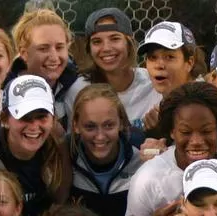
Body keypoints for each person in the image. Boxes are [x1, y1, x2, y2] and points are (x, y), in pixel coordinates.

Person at [125, 81, 217, 216]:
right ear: (172, 131)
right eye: (186, 132)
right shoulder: (147, 179)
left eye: (206, 131)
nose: (196, 142)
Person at [0, 74, 71, 216]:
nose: (34, 126)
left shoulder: (58, 152)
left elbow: (60, 204)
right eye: (25, 117)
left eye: (42, 117)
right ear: (5, 119)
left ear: (53, 120)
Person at [64, 8, 161, 136]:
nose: (106, 48)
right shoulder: (79, 90)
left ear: (129, 43)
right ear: (89, 49)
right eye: (97, 41)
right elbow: (73, 143)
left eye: (115, 39)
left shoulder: (153, 82)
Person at [69, 84, 142, 216]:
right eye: (90, 127)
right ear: (76, 125)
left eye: (109, 125)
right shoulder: (65, 155)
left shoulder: (140, 150)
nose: (100, 136)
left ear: (121, 122)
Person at [7, 8, 78, 129]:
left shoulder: (76, 85)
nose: (54, 57)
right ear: (24, 53)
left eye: (60, 47)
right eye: (43, 49)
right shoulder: (3, 91)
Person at [138, 21, 206, 135]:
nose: (159, 65)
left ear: (189, 63)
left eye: (169, 57)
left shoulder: (205, 102)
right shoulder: (166, 102)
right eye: (152, 57)